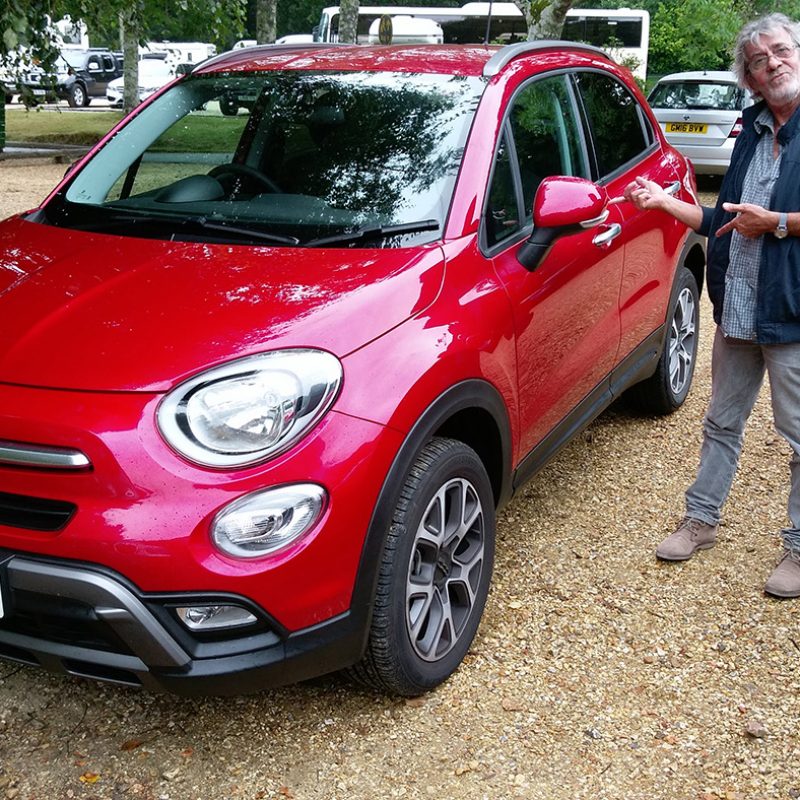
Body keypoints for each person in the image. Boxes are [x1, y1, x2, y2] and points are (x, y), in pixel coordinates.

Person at [623, 12, 800, 598]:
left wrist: (776, 222)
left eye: (781, 50)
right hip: (739, 306)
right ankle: (701, 520)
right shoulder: (751, 131)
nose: (773, 64)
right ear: (749, 78)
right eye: (758, 60)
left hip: (792, 310)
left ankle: (799, 548)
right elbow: (721, 219)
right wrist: (661, 201)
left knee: (799, 436)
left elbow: (762, 222)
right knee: (721, 420)